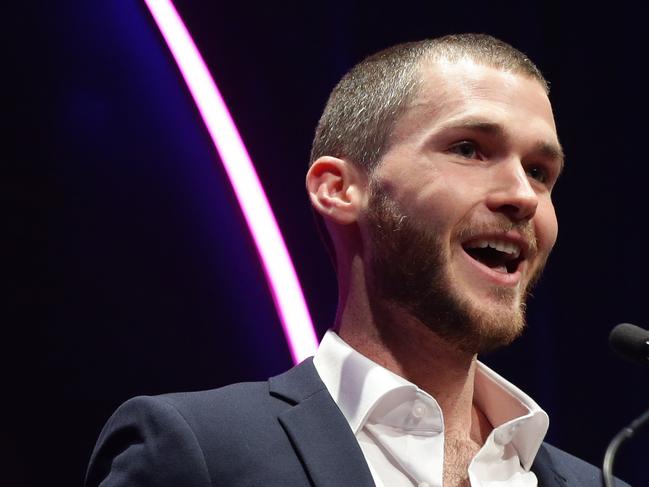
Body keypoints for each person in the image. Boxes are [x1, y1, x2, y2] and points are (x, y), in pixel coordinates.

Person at [85, 34, 629, 487]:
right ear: (340, 189)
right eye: (469, 149)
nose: (523, 196)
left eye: (539, 171)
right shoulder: (200, 452)